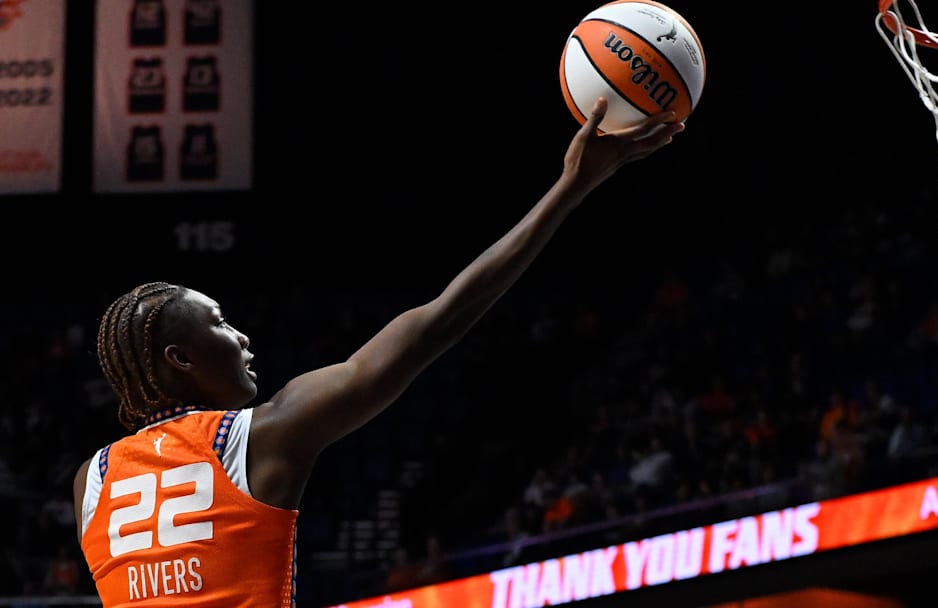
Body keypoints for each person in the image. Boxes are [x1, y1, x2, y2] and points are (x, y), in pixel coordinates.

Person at [71, 97, 684, 607]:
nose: (241, 337)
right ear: (180, 359)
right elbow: (440, 320)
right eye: (220, 323)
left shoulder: (91, 482)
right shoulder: (261, 436)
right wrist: (571, 188)